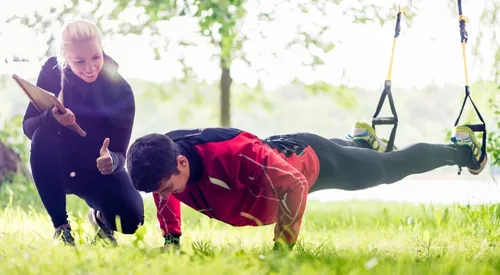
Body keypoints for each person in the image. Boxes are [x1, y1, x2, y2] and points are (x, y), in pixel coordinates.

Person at [125, 122, 487, 251]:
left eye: (167, 188)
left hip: (312, 163)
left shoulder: (233, 154)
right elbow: (163, 192)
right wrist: (172, 241)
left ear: (182, 164)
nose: (167, 197)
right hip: (282, 150)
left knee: (385, 169)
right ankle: (361, 139)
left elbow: (295, 185)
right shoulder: (165, 159)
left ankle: (462, 150)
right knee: (357, 156)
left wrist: (282, 251)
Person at [22, 19, 144, 246]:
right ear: (64, 57)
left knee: (132, 219)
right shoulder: (51, 72)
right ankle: (62, 227)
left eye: (96, 57)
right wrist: (52, 117)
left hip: (98, 170)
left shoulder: (120, 89)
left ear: (102, 50)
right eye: (79, 61)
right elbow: (28, 126)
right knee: (42, 135)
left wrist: (111, 161)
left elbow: (120, 153)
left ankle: (100, 220)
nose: (90, 67)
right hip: (59, 165)